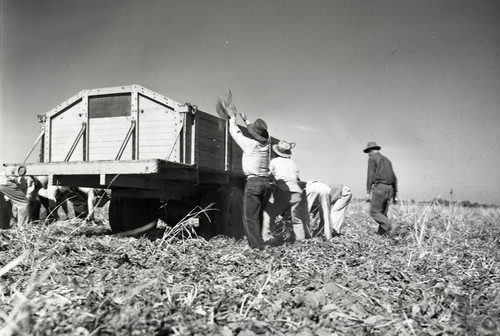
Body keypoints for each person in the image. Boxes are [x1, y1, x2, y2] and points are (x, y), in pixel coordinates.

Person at [225, 101, 272, 249]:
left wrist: (232, 117)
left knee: (249, 217)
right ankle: (259, 242)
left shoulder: (250, 145)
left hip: (254, 184)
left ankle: (257, 247)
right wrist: (246, 120)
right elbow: (254, 132)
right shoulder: (267, 145)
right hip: (266, 184)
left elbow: (235, 132)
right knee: (257, 216)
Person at [267, 140, 309, 242]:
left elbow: (268, 175)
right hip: (297, 193)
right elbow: (297, 178)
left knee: (269, 215)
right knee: (296, 219)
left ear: (276, 152)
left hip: (284, 191)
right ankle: (301, 241)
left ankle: (268, 238)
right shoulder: (293, 163)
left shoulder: (274, 162)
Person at [364, 141, 399, 237]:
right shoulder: (387, 160)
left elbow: (370, 175)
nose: (368, 155)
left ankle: (391, 226)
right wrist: (395, 194)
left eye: (368, 152)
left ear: (371, 151)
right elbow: (394, 178)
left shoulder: (372, 158)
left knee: (374, 212)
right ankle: (383, 235)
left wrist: (368, 192)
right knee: (383, 214)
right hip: (390, 189)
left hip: (380, 187)